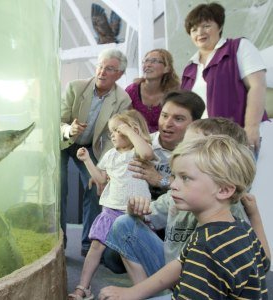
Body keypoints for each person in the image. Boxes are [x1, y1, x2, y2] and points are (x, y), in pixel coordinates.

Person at [98, 136, 270, 299]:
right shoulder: (240, 228)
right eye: (175, 176)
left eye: (185, 178)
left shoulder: (206, 248)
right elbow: (181, 263)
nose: (172, 185)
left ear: (224, 190)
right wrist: (132, 293)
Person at [101, 90, 205, 274]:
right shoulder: (142, 143)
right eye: (164, 116)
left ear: (194, 124)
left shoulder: (198, 153)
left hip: (175, 219)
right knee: (111, 260)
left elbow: (198, 189)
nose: (167, 124)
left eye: (178, 119)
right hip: (140, 214)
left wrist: (159, 179)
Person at [68, 110, 154, 300]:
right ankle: (83, 287)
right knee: (96, 246)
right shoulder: (110, 155)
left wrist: (130, 131)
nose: (112, 135)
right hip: (111, 210)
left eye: (116, 130)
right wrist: (87, 160)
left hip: (136, 213)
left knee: (132, 253)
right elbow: (100, 179)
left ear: (132, 130)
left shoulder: (138, 152)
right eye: (112, 131)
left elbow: (147, 153)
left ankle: (142, 291)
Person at [60, 49, 131, 255]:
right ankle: (59, 240)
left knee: (95, 187)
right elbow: (57, 120)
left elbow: (113, 136)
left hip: (90, 148)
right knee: (59, 186)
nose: (102, 72)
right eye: (100, 66)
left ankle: (88, 244)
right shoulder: (75, 87)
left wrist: (105, 169)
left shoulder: (123, 100)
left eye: (109, 69)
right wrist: (68, 130)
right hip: (64, 144)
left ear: (119, 74)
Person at [180, 2, 268, 155]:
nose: (199, 32)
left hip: (238, 139)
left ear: (219, 26)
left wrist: (252, 127)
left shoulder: (238, 47)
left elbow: (257, 86)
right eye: (194, 29)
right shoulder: (190, 68)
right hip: (201, 145)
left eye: (206, 26)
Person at [125, 49, 180, 133]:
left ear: (167, 68)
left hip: (167, 140)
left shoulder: (175, 94)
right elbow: (126, 121)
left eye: (154, 61)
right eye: (146, 61)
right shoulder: (131, 91)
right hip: (138, 139)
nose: (148, 65)